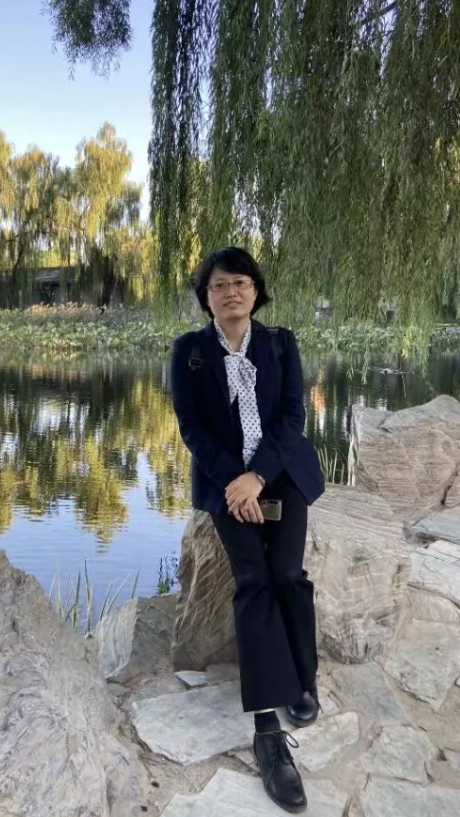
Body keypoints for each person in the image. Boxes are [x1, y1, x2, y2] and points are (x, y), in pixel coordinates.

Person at [170, 246, 325, 813]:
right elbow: (192, 428)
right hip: (225, 481)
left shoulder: (280, 343)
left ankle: (303, 679)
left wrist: (257, 476)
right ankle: (267, 730)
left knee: (287, 574)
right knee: (254, 579)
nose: (230, 292)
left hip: (281, 474)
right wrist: (236, 482)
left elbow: (292, 418)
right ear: (206, 297)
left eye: (240, 282)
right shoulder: (188, 352)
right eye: (219, 285)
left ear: (256, 291)